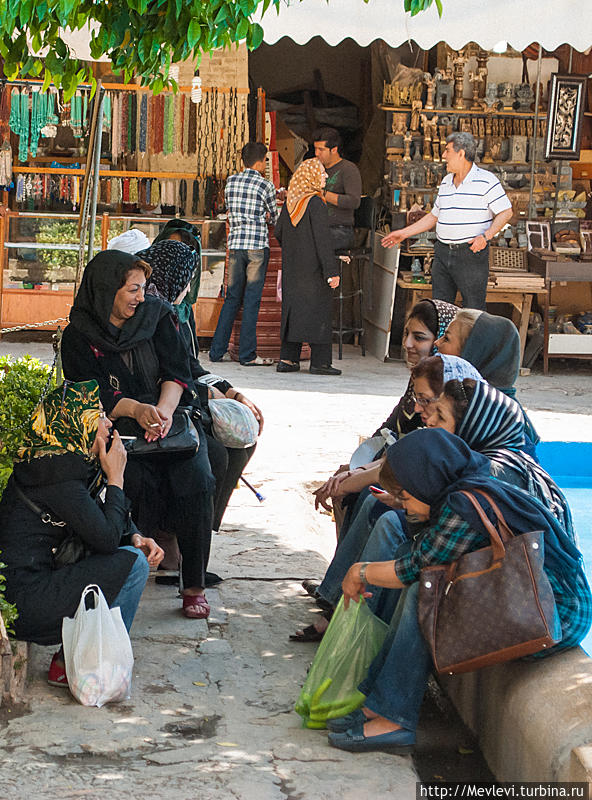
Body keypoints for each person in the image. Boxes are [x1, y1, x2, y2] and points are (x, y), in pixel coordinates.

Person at [327, 429, 591, 754]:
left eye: (407, 496)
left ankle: (393, 718)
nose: (403, 504)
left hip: (553, 617)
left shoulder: (464, 508)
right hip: (534, 603)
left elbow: (414, 567)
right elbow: (425, 547)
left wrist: (359, 571)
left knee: (424, 592)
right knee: (424, 585)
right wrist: (407, 506)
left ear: (427, 482)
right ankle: (378, 703)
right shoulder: (463, 487)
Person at [60, 250, 216, 620]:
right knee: (133, 483)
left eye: (142, 288)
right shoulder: (79, 335)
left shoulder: (157, 316)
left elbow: (178, 373)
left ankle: (193, 584)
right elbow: (89, 393)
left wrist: (160, 412)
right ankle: (124, 571)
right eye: (132, 289)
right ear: (106, 290)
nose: (140, 297)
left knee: (198, 480)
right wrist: (136, 412)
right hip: (119, 426)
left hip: (169, 420)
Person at [0, 380, 163, 687]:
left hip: (32, 585)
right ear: (77, 423)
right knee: (134, 565)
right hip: (25, 602)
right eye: (99, 415)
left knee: (130, 552)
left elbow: (95, 517)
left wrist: (135, 536)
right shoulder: (58, 476)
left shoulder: (55, 459)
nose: (108, 423)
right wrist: (116, 478)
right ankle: (91, 664)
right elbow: (103, 538)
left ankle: (76, 657)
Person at [140, 239, 263, 532]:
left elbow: (192, 366)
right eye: (188, 278)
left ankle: (204, 532)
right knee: (218, 455)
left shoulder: (175, 314)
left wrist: (233, 392)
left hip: (186, 401)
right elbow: (162, 374)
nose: (189, 287)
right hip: (163, 408)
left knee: (244, 440)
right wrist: (205, 393)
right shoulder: (150, 315)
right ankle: (183, 537)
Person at [382, 132, 513, 310]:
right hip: (443, 252)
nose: (443, 156)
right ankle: (442, 338)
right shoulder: (445, 182)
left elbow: (506, 212)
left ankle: (471, 339)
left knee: (472, 310)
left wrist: (486, 236)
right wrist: (403, 233)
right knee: (440, 308)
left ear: (461, 153)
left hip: (470, 253)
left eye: (447, 150)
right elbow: (434, 216)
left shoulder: (486, 180)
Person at [209, 142, 278, 367]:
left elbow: (231, 210)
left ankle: (216, 351)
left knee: (231, 298)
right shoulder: (266, 185)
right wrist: (265, 219)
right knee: (251, 301)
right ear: (261, 161)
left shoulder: (231, 182)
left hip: (236, 246)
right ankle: (247, 355)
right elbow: (274, 217)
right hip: (257, 246)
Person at [274, 158, 342, 377]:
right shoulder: (315, 203)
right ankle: (320, 362)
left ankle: (287, 359)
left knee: (292, 311)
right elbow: (323, 241)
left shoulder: (291, 204)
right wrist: (331, 272)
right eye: (321, 173)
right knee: (318, 312)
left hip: (293, 270)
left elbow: (278, 233)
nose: (324, 177)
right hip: (313, 271)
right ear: (311, 177)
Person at [313, 127, 362, 252]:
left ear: (334, 150)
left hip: (341, 230)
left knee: (311, 242)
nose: (316, 153)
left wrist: (321, 193)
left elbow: (354, 201)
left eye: (321, 149)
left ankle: (328, 272)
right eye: (315, 148)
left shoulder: (348, 169)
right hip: (318, 228)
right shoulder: (315, 169)